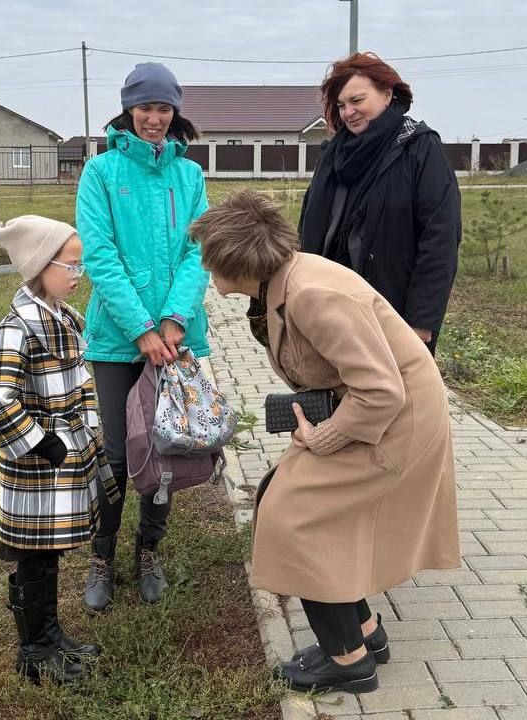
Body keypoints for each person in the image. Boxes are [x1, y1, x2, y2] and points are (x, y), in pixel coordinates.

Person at [191, 190, 460, 694]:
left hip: (396, 421)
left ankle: (349, 662)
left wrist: (323, 437)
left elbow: (381, 390)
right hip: (374, 410)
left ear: (233, 260)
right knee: (283, 497)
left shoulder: (312, 294)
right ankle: (362, 632)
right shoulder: (285, 281)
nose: (206, 267)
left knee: (295, 520)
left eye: (209, 256)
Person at [75, 62, 210, 611]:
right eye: (145, 107)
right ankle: (101, 555)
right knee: (114, 452)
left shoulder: (190, 176)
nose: (155, 118)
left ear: (175, 111)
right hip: (117, 340)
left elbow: (199, 251)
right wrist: (141, 330)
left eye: (164, 108)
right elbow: (100, 257)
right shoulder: (101, 174)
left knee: (165, 445)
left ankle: (148, 549)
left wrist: (175, 321)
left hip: (177, 340)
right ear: (128, 110)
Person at [0, 215, 120, 684]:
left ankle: (51, 633)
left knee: (50, 548)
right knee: (32, 553)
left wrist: (90, 435)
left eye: (80, 267)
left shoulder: (65, 319)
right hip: (38, 465)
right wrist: (43, 443)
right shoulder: (19, 327)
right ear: (41, 266)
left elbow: (81, 385)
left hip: (65, 456)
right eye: (72, 266)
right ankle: (35, 651)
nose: (78, 276)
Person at [298, 52, 461, 355]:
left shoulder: (419, 148)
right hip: (334, 308)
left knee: (399, 399)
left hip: (395, 314)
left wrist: (421, 321)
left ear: (387, 94)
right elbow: (308, 227)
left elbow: (440, 238)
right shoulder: (334, 155)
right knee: (339, 397)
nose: (348, 112)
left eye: (357, 101)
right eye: (341, 105)